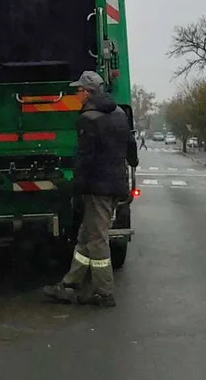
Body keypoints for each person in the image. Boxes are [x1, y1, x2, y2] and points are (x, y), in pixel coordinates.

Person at [44, 71, 138, 308]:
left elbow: (84, 160)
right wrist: (132, 164)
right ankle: (70, 284)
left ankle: (104, 292)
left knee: (96, 239)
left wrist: (77, 189)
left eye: (78, 90)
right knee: (86, 235)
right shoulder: (118, 114)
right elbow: (131, 146)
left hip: (98, 187)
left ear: (87, 92)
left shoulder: (89, 118)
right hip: (115, 184)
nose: (76, 94)